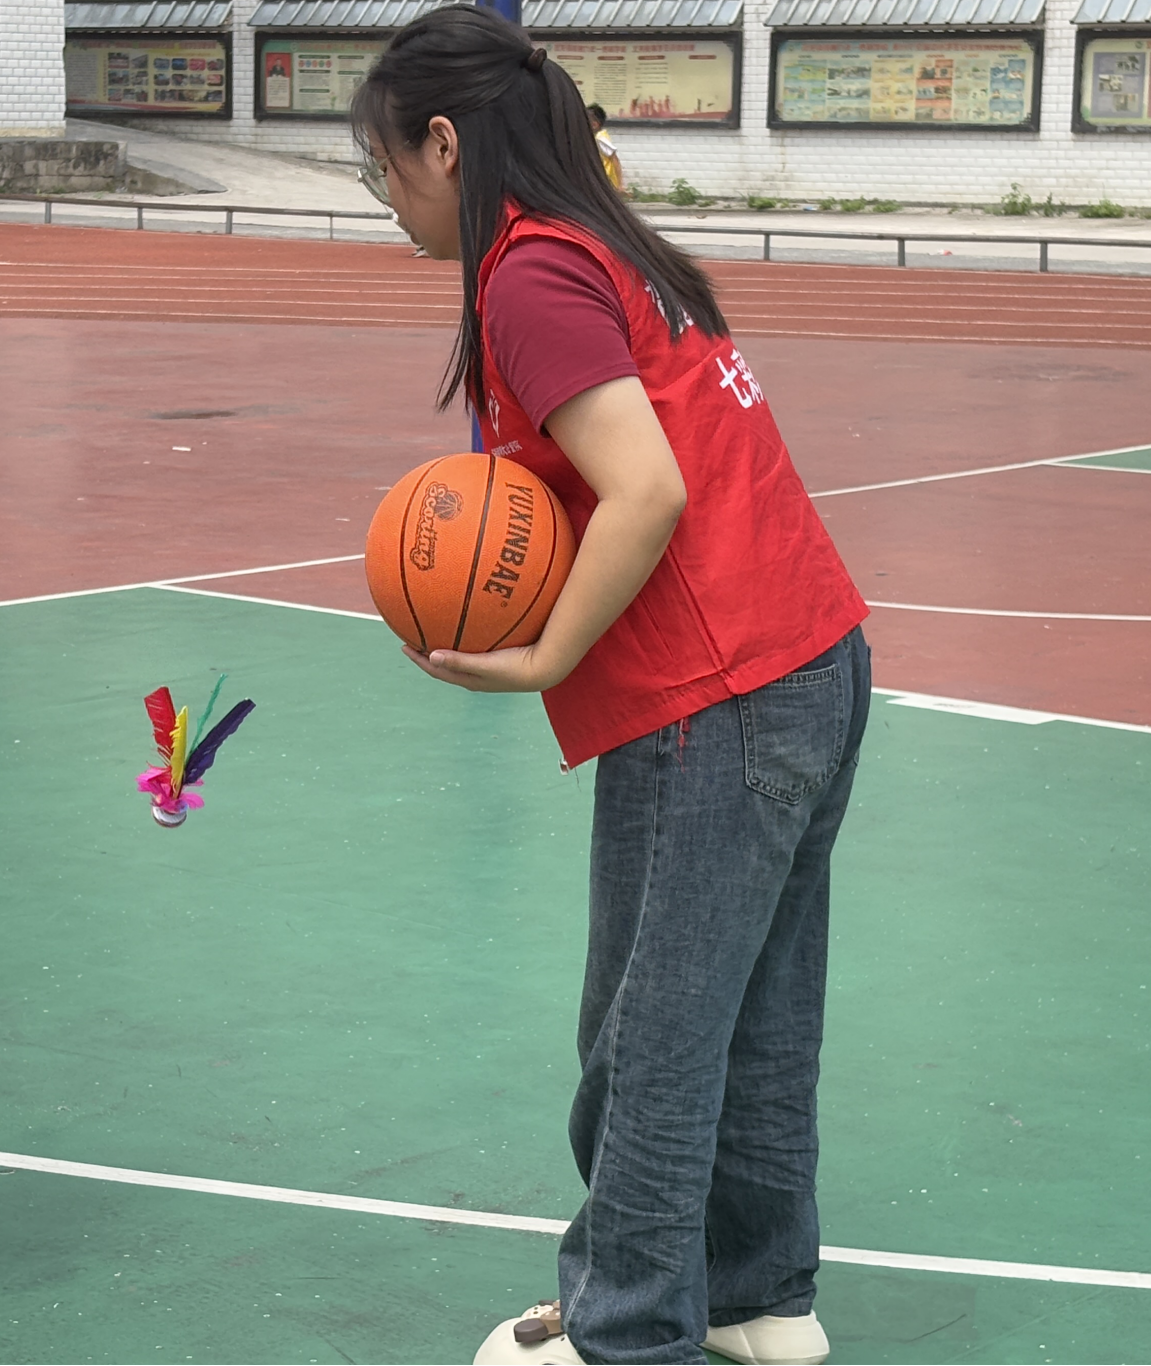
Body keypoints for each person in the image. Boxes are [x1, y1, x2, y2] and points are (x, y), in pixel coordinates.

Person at [353, 10, 870, 1365]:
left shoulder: (529, 274)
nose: (382, 192)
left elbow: (644, 489)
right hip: (810, 654)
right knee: (757, 1013)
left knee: (650, 1034)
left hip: (716, 694)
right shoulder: (605, 240)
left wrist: (541, 655)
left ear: (443, 144)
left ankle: (626, 1325)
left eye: (379, 164)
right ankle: (757, 1297)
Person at [587, 104, 623, 190]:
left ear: (594, 125)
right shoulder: (597, 137)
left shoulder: (600, 139)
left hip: (606, 181)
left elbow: (615, 159)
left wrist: (620, 184)